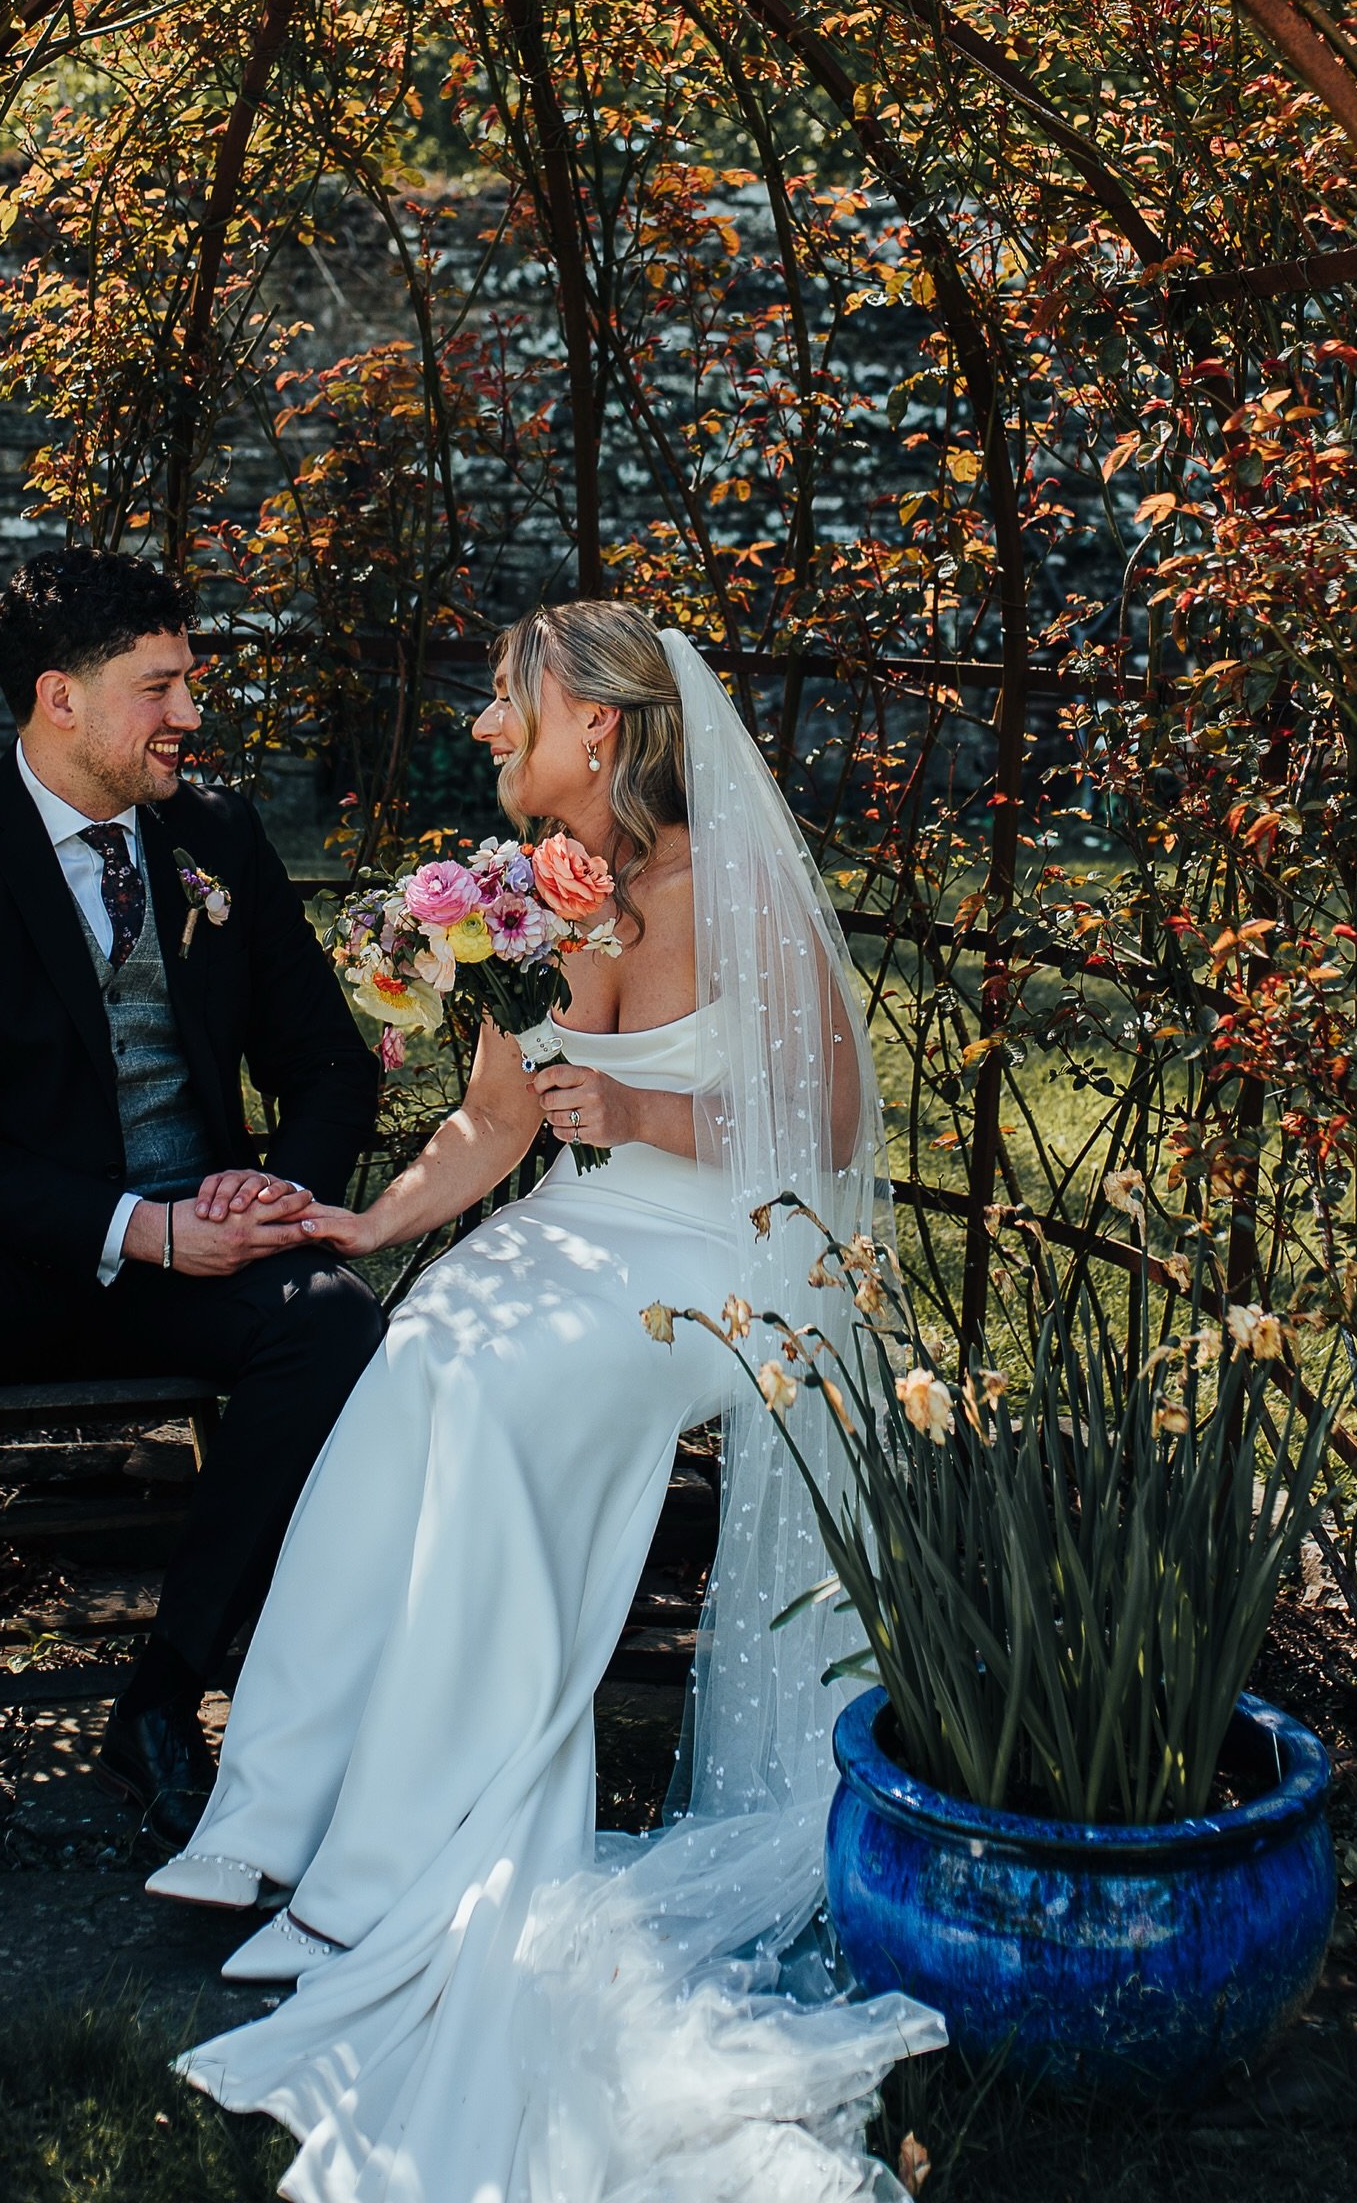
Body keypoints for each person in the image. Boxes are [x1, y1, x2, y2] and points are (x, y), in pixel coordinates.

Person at [151, 601, 944, 2202]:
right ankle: (280, 1804)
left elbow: (833, 1126)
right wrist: (369, 1225)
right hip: (596, 1228)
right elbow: (500, 1123)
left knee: (504, 1383)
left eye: (513, 704)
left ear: (605, 725)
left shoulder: (725, 881)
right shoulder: (524, 898)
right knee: (425, 1343)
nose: (486, 728)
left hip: (750, 1246)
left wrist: (641, 1106)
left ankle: (408, 1860)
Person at [0, 549, 382, 1938]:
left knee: (335, 1322)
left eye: (188, 683)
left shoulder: (217, 842)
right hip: (5, 1255)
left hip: (204, 1248)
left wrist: (273, 1203)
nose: (190, 714)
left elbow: (328, 1066)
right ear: (61, 701)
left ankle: (163, 1701)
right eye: (162, 688)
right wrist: (140, 1229)